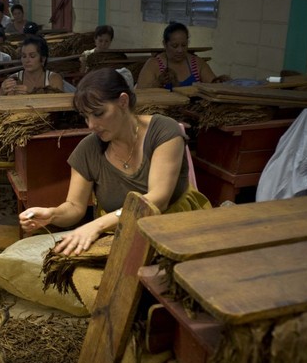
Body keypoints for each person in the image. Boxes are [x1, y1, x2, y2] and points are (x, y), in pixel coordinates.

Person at [18, 67, 208, 255]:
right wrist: (52, 214)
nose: (91, 125)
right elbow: (75, 207)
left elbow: (158, 200)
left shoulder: (163, 131)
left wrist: (98, 225)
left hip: (176, 229)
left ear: (123, 101)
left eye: (99, 114)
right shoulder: (88, 149)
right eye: (86, 117)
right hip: (123, 234)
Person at [136, 21, 229, 89]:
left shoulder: (197, 63)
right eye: (174, 46)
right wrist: (158, 83)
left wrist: (219, 82)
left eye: (184, 45)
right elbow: (140, 92)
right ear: (165, 44)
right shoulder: (154, 64)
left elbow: (213, 86)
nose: (180, 50)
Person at [0, 35, 64, 95]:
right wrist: (2, 92)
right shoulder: (13, 79)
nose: (27, 60)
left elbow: (58, 105)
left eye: (32, 56)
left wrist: (29, 97)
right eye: (24, 56)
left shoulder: (54, 79)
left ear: (43, 59)